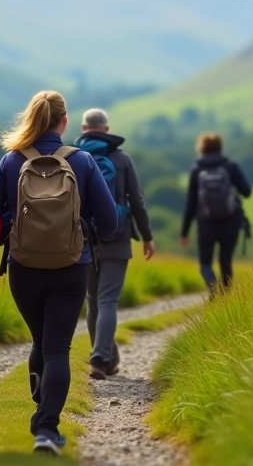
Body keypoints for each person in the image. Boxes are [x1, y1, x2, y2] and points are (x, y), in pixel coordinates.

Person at [0, 91, 118, 455]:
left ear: (31, 117)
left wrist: (12, 228)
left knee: (40, 340)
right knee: (57, 347)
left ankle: (41, 406)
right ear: (64, 121)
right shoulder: (83, 160)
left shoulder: (12, 160)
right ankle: (46, 429)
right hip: (71, 266)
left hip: (24, 267)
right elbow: (109, 221)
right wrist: (90, 233)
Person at [74, 108, 155, 381]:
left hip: (84, 237)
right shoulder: (121, 159)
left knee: (93, 302)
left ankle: (106, 359)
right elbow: (137, 201)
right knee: (108, 300)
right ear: (106, 130)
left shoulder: (74, 157)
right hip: (117, 236)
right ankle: (100, 358)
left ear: (84, 129)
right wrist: (147, 236)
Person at [179, 132, 251, 294]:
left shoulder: (196, 170)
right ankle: (225, 298)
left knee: (205, 264)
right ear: (220, 146)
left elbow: (191, 203)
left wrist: (184, 233)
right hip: (230, 221)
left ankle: (214, 290)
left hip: (205, 223)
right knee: (225, 261)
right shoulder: (230, 167)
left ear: (201, 147)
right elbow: (247, 191)